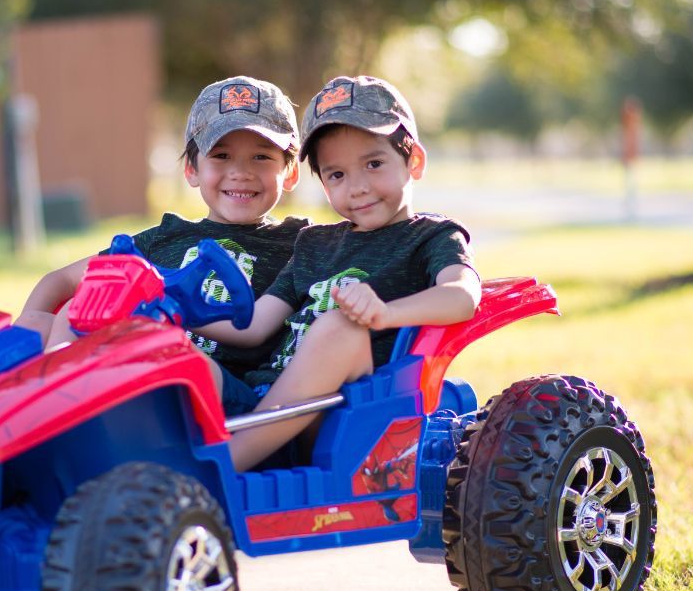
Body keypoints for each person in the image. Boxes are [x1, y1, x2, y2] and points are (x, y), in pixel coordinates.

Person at [194, 76, 482, 471]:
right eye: (337, 175)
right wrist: (172, 310)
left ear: (414, 160)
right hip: (260, 405)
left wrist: (385, 313)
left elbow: (462, 296)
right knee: (170, 351)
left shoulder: (431, 236)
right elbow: (253, 327)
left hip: (342, 420)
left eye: (374, 164)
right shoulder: (314, 244)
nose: (358, 187)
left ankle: (217, 469)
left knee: (339, 328)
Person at [15, 75, 310, 414]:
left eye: (261, 157)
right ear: (192, 170)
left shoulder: (299, 243)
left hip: (222, 393)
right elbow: (63, 280)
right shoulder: (165, 238)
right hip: (139, 378)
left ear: (289, 173)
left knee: (159, 347)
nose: (240, 172)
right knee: (49, 320)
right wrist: (30, 319)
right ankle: (29, 415)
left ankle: (52, 415)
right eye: (222, 155)